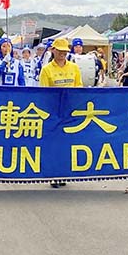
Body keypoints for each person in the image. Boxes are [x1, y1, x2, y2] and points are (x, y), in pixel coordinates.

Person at [38, 37, 82, 189]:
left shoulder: (74, 68)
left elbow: (79, 87)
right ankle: (53, 174)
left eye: (65, 51)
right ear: (53, 50)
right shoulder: (46, 70)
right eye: (60, 51)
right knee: (53, 145)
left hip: (69, 112)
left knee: (67, 144)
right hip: (53, 112)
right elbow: (43, 93)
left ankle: (64, 173)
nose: (63, 53)